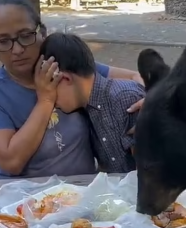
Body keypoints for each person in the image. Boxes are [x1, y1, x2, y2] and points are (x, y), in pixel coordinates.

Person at [0, 0, 144, 179]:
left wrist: (153, 101)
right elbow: (11, 163)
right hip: (20, 198)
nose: (17, 49)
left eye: (26, 35)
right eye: (3, 41)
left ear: (43, 33)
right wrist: (46, 100)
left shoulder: (63, 65)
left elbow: (137, 77)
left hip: (80, 193)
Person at [40, 33, 145, 173]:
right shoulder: (87, 108)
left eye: (50, 88)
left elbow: (147, 174)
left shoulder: (125, 99)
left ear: (65, 79)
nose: (51, 100)